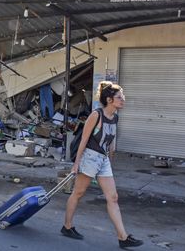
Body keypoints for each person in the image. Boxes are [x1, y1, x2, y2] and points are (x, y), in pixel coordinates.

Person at [61, 81, 143, 249]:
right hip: (90, 157)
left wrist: (109, 159)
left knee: (113, 198)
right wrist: (76, 164)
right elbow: (83, 139)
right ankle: (67, 226)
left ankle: (123, 237)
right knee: (78, 193)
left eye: (123, 96)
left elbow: (111, 141)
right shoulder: (96, 115)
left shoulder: (115, 117)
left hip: (103, 160)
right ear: (109, 100)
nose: (123, 100)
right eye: (119, 97)